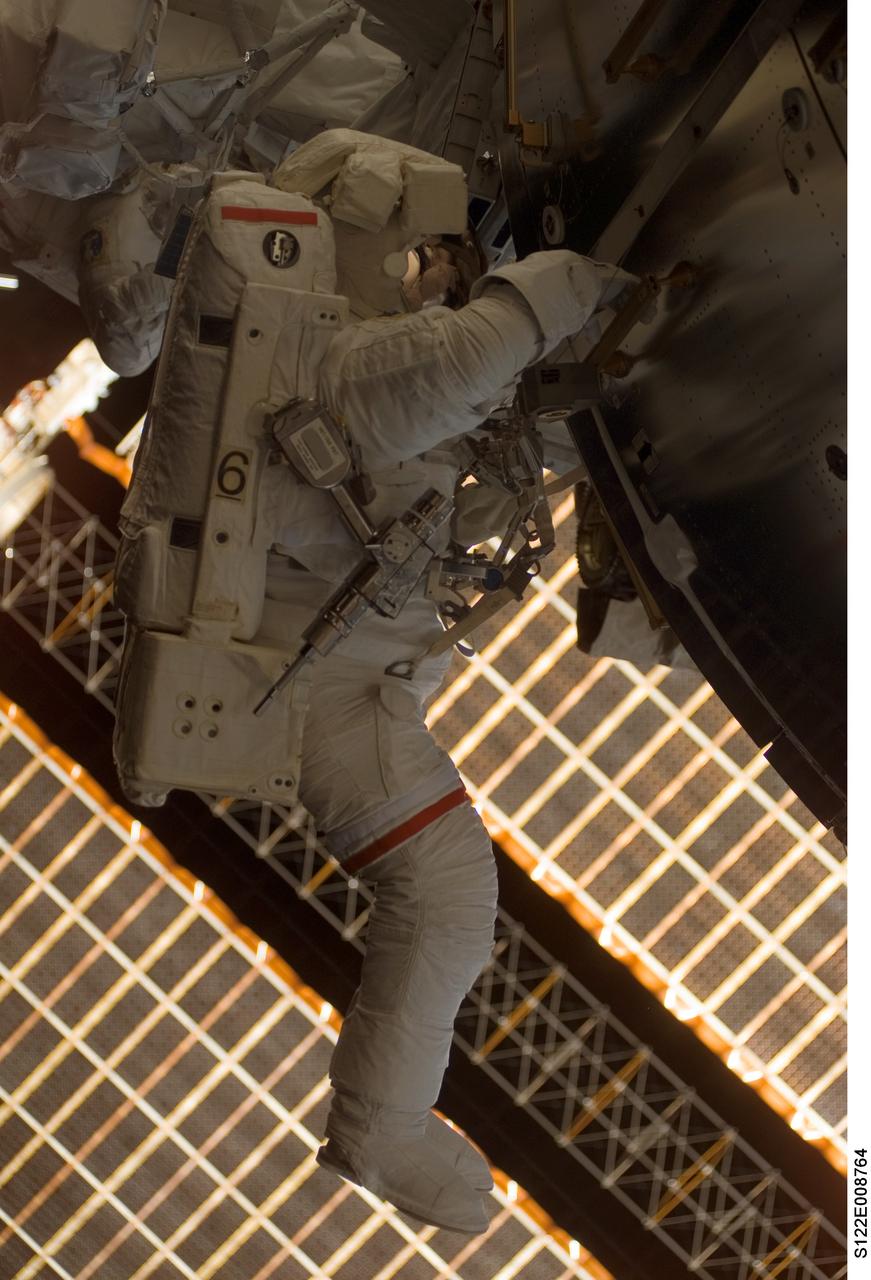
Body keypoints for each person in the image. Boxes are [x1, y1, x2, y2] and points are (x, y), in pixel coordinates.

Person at [114, 127, 641, 1234]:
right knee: (447, 901)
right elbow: (474, 355)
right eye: (426, 251)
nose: (437, 271)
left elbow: (474, 367)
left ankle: (378, 1127)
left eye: (439, 258)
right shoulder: (341, 369)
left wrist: (620, 288)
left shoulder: (335, 365)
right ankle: (378, 1129)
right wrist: (618, 269)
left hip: (325, 687)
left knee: (447, 901)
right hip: (330, 689)